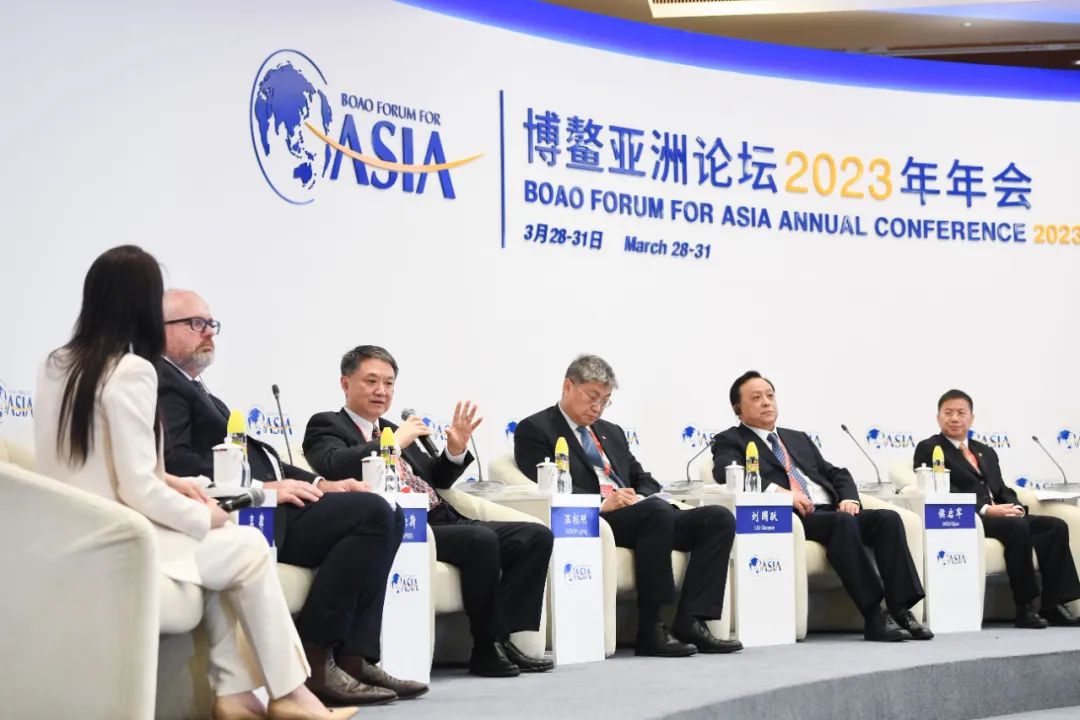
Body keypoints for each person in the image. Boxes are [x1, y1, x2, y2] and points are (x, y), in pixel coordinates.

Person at [33, 245, 355, 720]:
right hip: (126, 539)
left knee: (230, 557)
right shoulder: (133, 370)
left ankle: (237, 698)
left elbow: (92, 458)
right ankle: (290, 695)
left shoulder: (56, 364)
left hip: (71, 534)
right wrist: (205, 516)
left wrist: (169, 479)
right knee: (247, 545)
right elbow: (138, 491)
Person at [157, 290, 422, 705]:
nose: (209, 332)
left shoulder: (198, 389)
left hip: (272, 503)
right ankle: (315, 657)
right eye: (196, 324)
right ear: (159, 330)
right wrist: (261, 489)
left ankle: (354, 657)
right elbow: (175, 461)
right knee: (372, 513)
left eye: (211, 324)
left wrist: (323, 484)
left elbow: (268, 462)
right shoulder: (162, 383)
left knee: (387, 511)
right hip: (249, 511)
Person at [302, 345, 554, 678]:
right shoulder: (327, 425)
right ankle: (485, 647)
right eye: (371, 381)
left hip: (442, 518)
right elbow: (332, 464)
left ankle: (505, 638)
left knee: (535, 536)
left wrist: (454, 451)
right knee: (479, 540)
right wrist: (393, 443)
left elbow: (435, 480)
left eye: (389, 383)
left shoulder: (392, 427)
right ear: (345, 384)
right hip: (402, 526)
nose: (381, 391)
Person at [514, 354, 742, 657]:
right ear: (568, 387)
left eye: (605, 400)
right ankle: (651, 627)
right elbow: (547, 484)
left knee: (718, 519)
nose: (598, 407)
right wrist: (602, 502)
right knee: (656, 513)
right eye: (592, 397)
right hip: (597, 519)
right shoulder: (535, 429)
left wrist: (639, 496)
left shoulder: (612, 432)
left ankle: (692, 621)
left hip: (642, 514)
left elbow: (644, 479)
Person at [712, 370, 932, 642]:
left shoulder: (797, 438)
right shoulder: (730, 439)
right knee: (841, 523)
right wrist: (781, 493)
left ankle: (901, 610)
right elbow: (726, 472)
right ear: (738, 408)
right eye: (756, 398)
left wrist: (849, 498)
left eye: (770, 396)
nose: (766, 402)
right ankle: (874, 614)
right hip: (793, 517)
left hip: (833, 511)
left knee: (887, 519)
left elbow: (836, 473)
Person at [914, 389, 1080, 628]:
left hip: (1002, 514)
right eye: (948, 413)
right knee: (1016, 527)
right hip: (969, 516)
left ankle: (1053, 605)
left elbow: (1000, 488)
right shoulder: (930, 448)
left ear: (971, 418)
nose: (954, 418)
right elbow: (942, 489)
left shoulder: (985, 451)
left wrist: (1015, 507)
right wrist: (986, 509)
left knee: (1054, 526)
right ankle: (1025, 606)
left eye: (961, 413)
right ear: (938, 418)